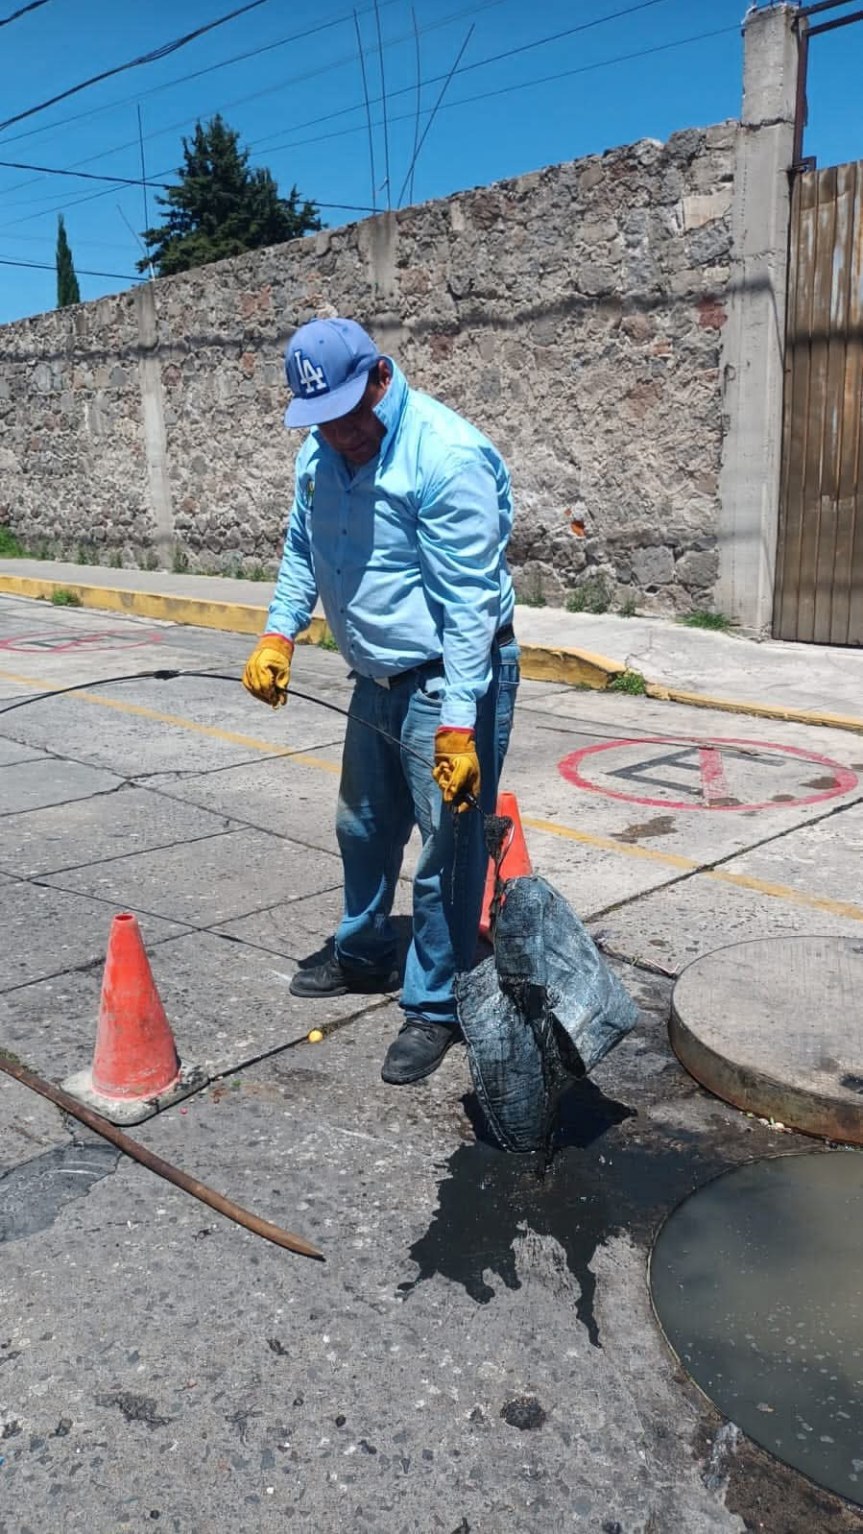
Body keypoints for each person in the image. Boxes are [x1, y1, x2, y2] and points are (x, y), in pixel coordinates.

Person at [242, 316, 519, 1086]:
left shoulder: (446, 455)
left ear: (377, 376)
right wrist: (278, 634)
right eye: (321, 423)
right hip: (374, 679)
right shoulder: (319, 452)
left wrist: (460, 721)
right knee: (361, 827)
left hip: (447, 680)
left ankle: (435, 1005)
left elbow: (469, 606)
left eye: (348, 416)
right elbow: (304, 546)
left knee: (445, 852)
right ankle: (362, 952)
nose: (340, 436)